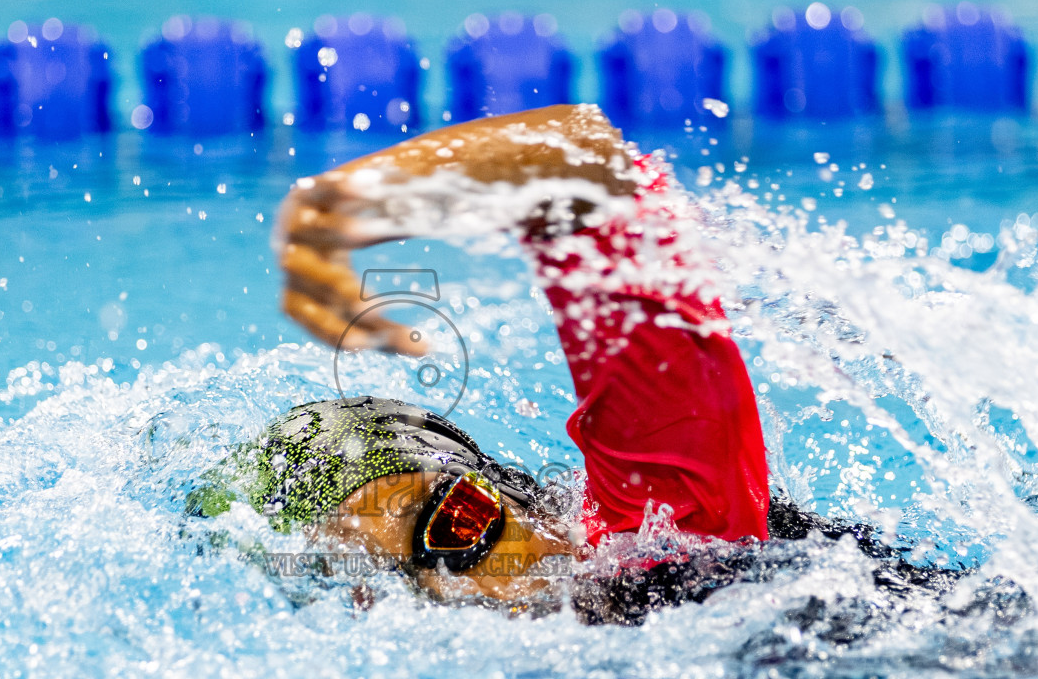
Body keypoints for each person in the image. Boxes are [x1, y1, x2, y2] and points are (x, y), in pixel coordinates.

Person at [193, 104, 966, 623]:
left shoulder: (666, 525)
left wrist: (346, 201)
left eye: (456, 521)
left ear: (514, 498)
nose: (466, 574)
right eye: (404, 579)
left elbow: (580, 159)